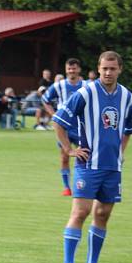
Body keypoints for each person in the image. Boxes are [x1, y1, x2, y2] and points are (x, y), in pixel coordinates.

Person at [53, 51, 132, 263]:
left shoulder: (127, 96)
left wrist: (121, 152)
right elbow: (59, 121)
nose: (108, 73)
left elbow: (128, 129)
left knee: (103, 214)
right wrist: (69, 149)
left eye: (113, 68)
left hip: (112, 167)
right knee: (80, 212)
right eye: (104, 68)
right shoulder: (85, 93)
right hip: (88, 165)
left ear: (120, 69)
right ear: (98, 69)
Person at [41, 58, 89, 195]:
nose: (71, 71)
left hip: (82, 126)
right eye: (69, 68)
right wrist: (54, 115)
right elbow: (45, 100)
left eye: (74, 68)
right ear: (66, 69)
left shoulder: (86, 85)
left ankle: (84, 184)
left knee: (85, 155)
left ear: (79, 69)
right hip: (65, 128)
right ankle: (67, 187)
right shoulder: (59, 85)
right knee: (64, 156)